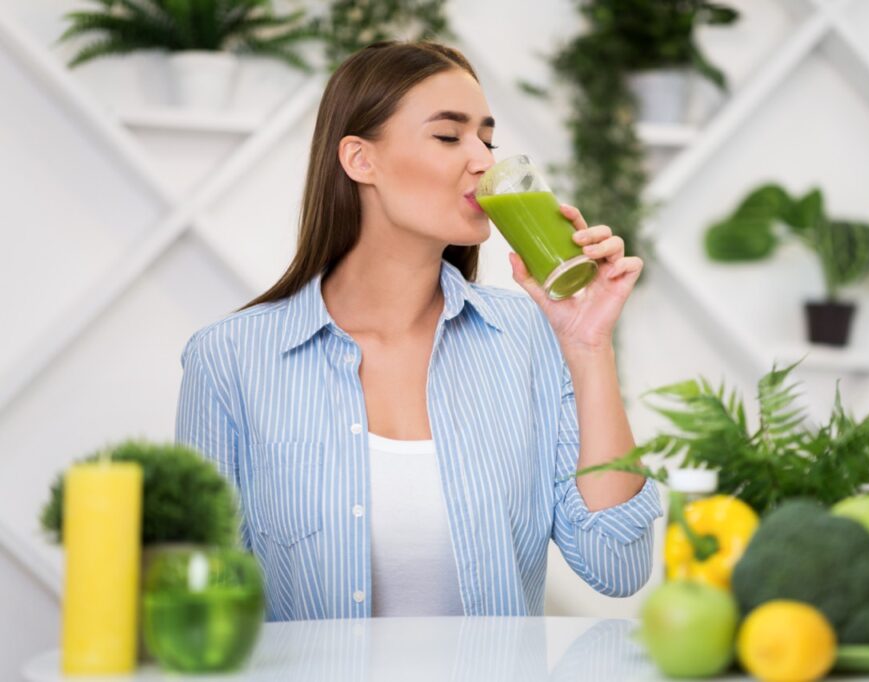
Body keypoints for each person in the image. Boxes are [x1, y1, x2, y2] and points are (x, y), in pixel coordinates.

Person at [175, 41, 662, 622]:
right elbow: (198, 608)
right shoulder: (230, 358)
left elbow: (618, 567)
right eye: (449, 136)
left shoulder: (525, 339)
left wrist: (589, 349)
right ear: (360, 160)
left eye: (488, 138)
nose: (483, 161)